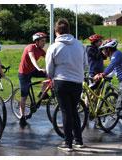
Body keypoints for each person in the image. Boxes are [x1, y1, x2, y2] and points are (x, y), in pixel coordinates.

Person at [44, 19, 87, 151]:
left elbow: (49, 69)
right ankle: (78, 140)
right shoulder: (80, 45)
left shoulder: (54, 47)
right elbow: (85, 64)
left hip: (61, 81)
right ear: (69, 30)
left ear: (56, 32)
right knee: (73, 111)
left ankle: (67, 143)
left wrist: (51, 77)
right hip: (77, 82)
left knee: (66, 112)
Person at [94, 39, 122, 139]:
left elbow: (111, 66)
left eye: (104, 49)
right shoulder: (116, 56)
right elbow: (114, 69)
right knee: (119, 109)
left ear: (109, 49)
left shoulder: (116, 55)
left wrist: (102, 74)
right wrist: (105, 75)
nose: (103, 52)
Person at [17, 32, 48, 126]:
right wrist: (38, 68)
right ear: (36, 41)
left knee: (49, 74)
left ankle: (42, 93)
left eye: (45, 41)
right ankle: (22, 116)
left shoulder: (41, 50)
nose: (44, 43)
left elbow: (49, 59)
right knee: (24, 96)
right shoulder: (30, 47)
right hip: (24, 73)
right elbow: (32, 58)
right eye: (42, 41)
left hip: (32, 71)